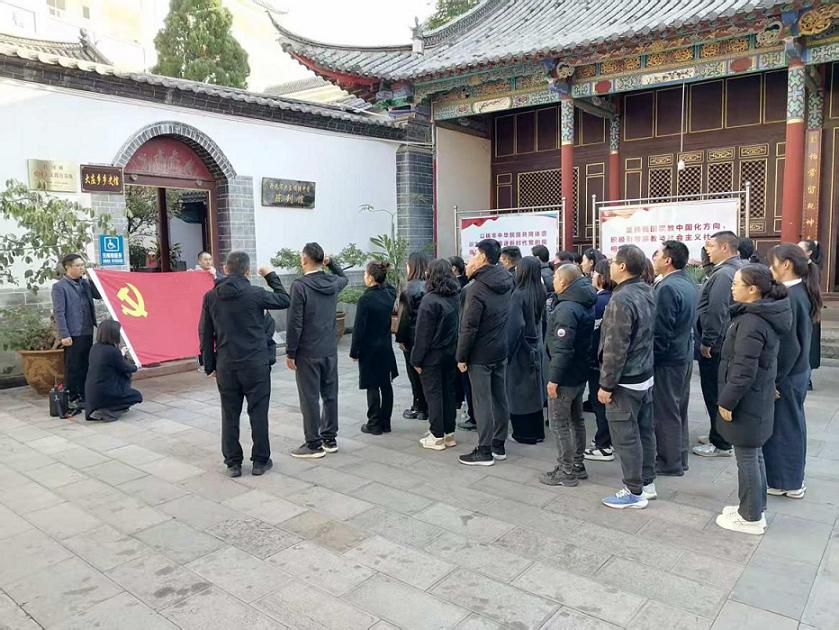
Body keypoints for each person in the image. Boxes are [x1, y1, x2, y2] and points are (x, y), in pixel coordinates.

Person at [199, 251, 290, 477]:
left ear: (225, 269)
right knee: (258, 412)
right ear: (248, 271)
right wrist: (270, 275)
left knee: (229, 414)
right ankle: (260, 461)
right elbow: (284, 299)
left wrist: (209, 365)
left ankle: (233, 463)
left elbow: (205, 333)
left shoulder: (211, 297)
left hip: (226, 364)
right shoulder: (255, 294)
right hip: (255, 364)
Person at [715, 265, 790, 535]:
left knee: (747, 456)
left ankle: (750, 517)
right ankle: (754, 506)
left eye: (736, 283)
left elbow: (743, 370)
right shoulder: (758, 315)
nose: (732, 287)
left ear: (753, 289)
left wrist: (727, 401)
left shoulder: (752, 322)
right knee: (753, 453)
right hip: (757, 396)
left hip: (747, 400)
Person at [598, 245, 656, 509]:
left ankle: (634, 491)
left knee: (626, 435)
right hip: (643, 372)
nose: (609, 266)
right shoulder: (645, 289)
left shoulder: (621, 298)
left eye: (613, 262)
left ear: (622, 266)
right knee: (644, 430)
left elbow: (615, 345)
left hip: (626, 378)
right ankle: (646, 482)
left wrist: (606, 384)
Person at [766, 244, 822, 498]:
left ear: (786, 264)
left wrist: (775, 380)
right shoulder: (799, 291)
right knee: (790, 425)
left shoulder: (791, 296)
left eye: (773, 263)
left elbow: (789, 346)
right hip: (797, 372)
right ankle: (785, 479)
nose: (770, 268)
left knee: (786, 429)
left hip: (788, 375)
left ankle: (790, 482)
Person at [286, 243, 349, 459]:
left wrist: (291, 352)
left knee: (310, 397)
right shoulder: (332, 282)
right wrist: (332, 264)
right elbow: (344, 278)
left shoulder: (300, 286)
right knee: (330, 394)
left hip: (308, 351)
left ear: (304, 260)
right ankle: (329, 438)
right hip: (329, 348)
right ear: (322, 260)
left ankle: (313, 443)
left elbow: (295, 322)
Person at [456, 238, 514, 465]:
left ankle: (484, 450)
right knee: (500, 397)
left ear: (482, 256)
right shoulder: (506, 280)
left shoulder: (476, 288)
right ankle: (499, 444)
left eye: (473, 255)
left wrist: (461, 356)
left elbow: (469, 327)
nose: (471, 260)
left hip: (480, 353)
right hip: (500, 348)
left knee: (482, 401)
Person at [539, 264, 596, 486]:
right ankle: (577, 464)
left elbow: (563, 348)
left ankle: (566, 470)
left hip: (565, 375)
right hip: (579, 371)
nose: (552, 280)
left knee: (559, 422)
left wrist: (554, 379)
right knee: (576, 419)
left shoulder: (566, 309)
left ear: (563, 282)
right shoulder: (583, 301)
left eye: (555, 277)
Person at [693, 230, 744, 457]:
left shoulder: (724, 274)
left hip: (717, 345)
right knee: (716, 391)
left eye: (711, 246)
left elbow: (717, 311)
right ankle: (718, 433)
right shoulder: (732, 269)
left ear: (725, 247)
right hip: (725, 341)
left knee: (714, 391)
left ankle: (720, 442)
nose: (708, 251)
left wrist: (708, 341)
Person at [651, 241, 697, 477]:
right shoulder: (687, 281)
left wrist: (654, 359)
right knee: (679, 408)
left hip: (668, 359)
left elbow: (661, 331)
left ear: (668, 260)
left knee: (666, 411)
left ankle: (669, 462)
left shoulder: (667, 287)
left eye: (657, 255)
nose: (654, 259)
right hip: (683, 353)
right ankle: (679, 457)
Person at [412, 258, 461, 450]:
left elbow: (423, 335)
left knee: (433, 395)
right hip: (451, 353)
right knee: (448, 393)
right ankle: (449, 433)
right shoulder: (455, 296)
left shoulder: (429, 300)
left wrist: (416, 359)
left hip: (432, 356)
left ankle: (437, 435)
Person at [350, 261, 399, 436]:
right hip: (385, 345)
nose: (364, 277)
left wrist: (354, 351)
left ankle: (374, 423)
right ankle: (386, 422)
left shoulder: (365, 299)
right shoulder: (390, 294)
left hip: (369, 347)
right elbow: (390, 286)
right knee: (386, 385)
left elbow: (359, 328)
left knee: (372, 385)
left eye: (365, 274)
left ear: (370, 278)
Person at [52, 253, 101, 410]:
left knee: (86, 364)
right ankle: (72, 396)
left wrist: (92, 279)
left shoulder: (85, 283)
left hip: (87, 329)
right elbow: (59, 312)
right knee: (73, 366)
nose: (82, 268)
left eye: (82, 265)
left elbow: (98, 295)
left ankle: (84, 394)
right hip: (72, 332)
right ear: (68, 267)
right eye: (78, 265)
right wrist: (64, 334)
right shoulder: (60, 287)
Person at [507, 257, 548, 445]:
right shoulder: (540, 291)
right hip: (536, 345)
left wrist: (507, 352)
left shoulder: (519, 294)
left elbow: (515, 326)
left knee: (519, 392)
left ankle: (523, 433)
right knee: (534, 391)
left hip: (521, 349)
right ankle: (537, 431)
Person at [584, 259, 615, 462]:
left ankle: (604, 445)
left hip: (598, 361)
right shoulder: (615, 298)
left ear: (602, 277)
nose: (593, 275)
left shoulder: (599, 302)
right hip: (608, 361)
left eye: (595, 272)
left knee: (600, 403)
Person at [84, 320, 142, 422]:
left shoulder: (95, 348)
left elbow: (111, 362)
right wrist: (136, 366)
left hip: (93, 392)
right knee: (136, 396)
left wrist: (121, 354)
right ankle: (109, 411)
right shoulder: (112, 351)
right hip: (106, 393)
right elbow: (126, 368)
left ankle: (106, 408)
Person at [396, 253, 429, 421]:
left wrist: (401, 339)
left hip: (411, 336)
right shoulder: (431, 286)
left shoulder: (409, 289)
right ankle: (428, 406)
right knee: (426, 372)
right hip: (428, 336)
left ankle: (419, 406)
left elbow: (403, 317)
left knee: (413, 373)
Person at [799, 239, 822, 384]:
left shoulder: (812, 269)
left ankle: (806, 378)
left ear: (809, 252)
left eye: (800, 249)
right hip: (808, 311)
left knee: (807, 346)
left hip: (809, 311)